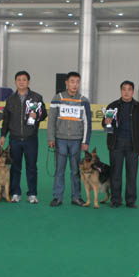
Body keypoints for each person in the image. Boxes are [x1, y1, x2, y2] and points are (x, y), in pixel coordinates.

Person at [0, 71, 47, 204]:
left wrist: (37, 116)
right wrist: (3, 135)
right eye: (19, 80)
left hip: (31, 138)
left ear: (28, 82)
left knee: (31, 167)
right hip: (14, 139)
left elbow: (44, 114)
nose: (21, 82)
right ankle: (15, 193)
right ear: (15, 82)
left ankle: (32, 194)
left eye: (24, 80)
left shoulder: (36, 97)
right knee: (15, 167)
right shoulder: (10, 99)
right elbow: (6, 119)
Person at [47, 71, 92, 207]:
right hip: (60, 140)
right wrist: (51, 138)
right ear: (66, 83)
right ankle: (57, 197)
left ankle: (76, 197)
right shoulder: (57, 98)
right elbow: (51, 120)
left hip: (77, 141)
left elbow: (87, 122)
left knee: (76, 171)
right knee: (59, 170)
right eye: (72, 82)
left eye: (77, 82)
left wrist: (85, 141)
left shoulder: (84, 100)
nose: (75, 85)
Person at [102, 80, 139, 208]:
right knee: (115, 174)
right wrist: (107, 122)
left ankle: (131, 200)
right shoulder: (112, 106)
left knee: (132, 175)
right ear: (121, 91)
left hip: (134, 145)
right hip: (116, 144)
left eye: (129, 89)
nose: (126, 92)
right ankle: (116, 200)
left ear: (133, 92)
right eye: (124, 89)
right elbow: (107, 128)